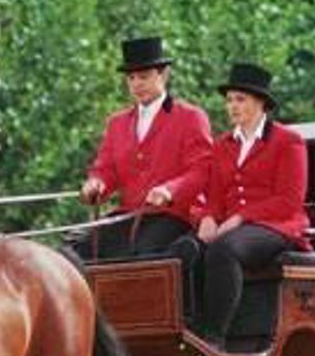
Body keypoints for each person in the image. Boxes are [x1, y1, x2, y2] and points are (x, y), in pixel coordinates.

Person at [170, 62, 309, 349]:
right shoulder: (222, 145)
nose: (232, 106)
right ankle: (186, 329)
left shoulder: (288, 141)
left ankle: (215, 338)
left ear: (261, 104)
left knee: (224, 249)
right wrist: (208, 217)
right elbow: (216, 196)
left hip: (276, 226)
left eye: (240, 99)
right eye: (230, 100)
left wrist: (242, 218)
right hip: (232, 226)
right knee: (184, 250)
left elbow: (289, 200)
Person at [72, 36, 213, 260]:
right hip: (128, 215)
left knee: (143, 255)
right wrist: (96, 184)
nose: (137, 84)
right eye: (131, 78)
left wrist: (169, 190)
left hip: (174, 214)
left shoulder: (191, 117)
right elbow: (106, 168)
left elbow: (201, 170)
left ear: (163, 75)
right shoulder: (117, 123)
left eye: (144, 77)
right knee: (78, 252)